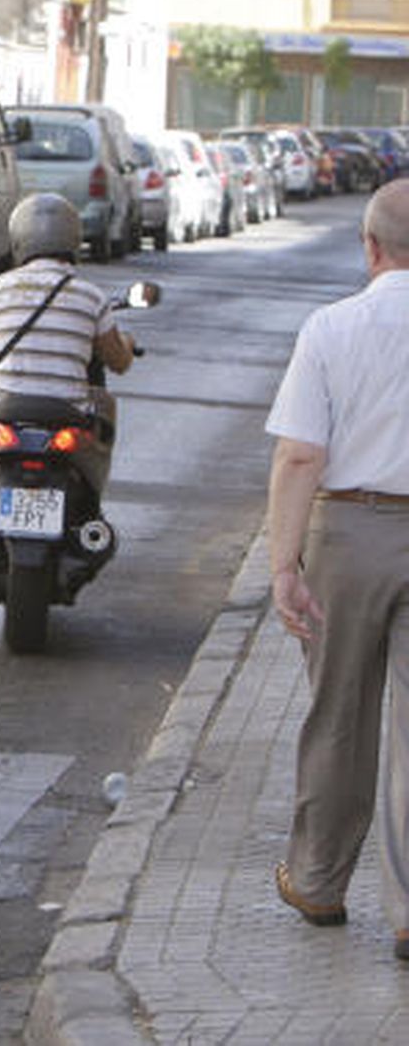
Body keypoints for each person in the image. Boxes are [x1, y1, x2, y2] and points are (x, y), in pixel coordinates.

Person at [266, 177, 409, 958]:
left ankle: (318, 883)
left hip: (350, 532)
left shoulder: (331, 327)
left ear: (370, 246)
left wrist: (283, 562)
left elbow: (299, 456)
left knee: (339, 716)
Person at [0, 192, 136, 498]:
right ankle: (93, 496)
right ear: (74, 240)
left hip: (3, 409)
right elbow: (119, 362)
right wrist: (127, 344)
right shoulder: (92, 296)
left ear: (18, 241)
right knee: (107, 403)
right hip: (69, 412)